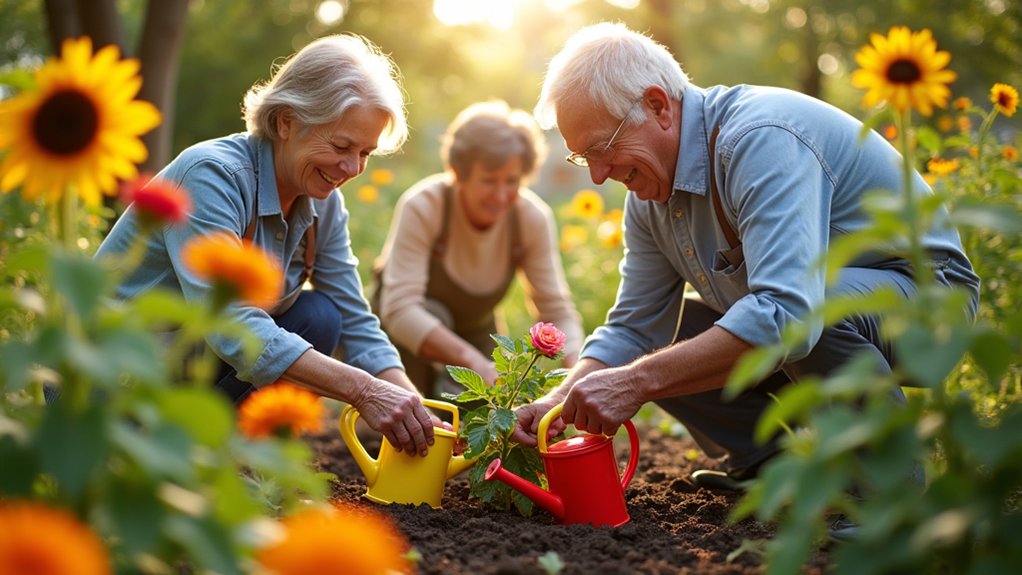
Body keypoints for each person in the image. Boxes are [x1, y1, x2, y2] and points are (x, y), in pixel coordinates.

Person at [512, 23, 980, 496]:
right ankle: (768, 466)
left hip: (925, 299)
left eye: (601, 148)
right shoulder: (648, 197)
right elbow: (635, 328)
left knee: (807, 308)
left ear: (657, 106)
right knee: (672, 337)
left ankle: (888, 494)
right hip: (823, 303)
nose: (597, 175)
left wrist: (635, 382)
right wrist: (559, 397)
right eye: (581, 157)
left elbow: (788, 313)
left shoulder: (758, 139)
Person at [96, 34, 436, 456]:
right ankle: (158, 453)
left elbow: (352, 317)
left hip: (187, 368)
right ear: (286, 122)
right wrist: (363, 391)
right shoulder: (213, 175)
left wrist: (412, 406)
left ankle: (208, 459)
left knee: (321, 316)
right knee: (303, 323)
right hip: (109, 379)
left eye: (365, 152)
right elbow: (230, 323)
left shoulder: (322, 200)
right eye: (341, 146)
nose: (352, 168)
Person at [372, 100, 584, 397]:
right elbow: (400, 311)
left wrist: (575, 370)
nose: (501, 196)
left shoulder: (530, 219)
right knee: (418, 425)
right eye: (488, 181)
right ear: (458, 172)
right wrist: (472, 362)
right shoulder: (424, 206)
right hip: (405, 341)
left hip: (476, 334)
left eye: (512, 181)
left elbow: (557, 310)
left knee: (485, 424)